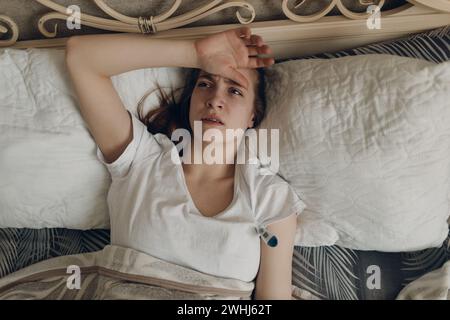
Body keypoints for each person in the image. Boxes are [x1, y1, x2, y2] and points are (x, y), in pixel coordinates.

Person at [65, 27, 306, 300]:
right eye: (205, 84)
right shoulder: (141, 159)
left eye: (234, 91)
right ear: (191, 100)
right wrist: (193, 54)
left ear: (253, 115)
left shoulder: (270, 197)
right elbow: (80, 57)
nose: (215, 100)